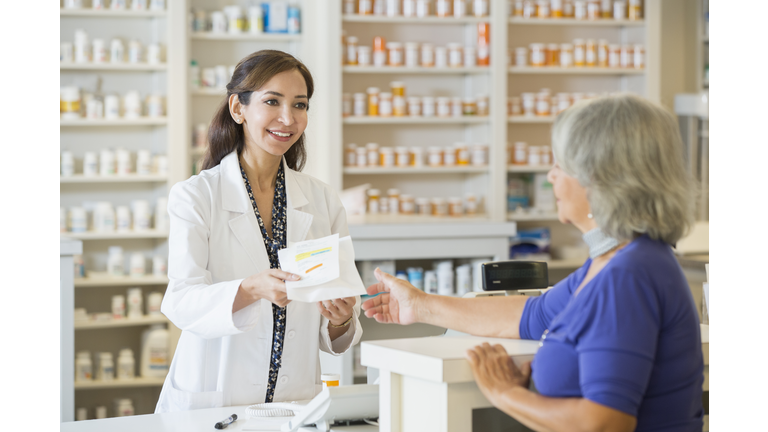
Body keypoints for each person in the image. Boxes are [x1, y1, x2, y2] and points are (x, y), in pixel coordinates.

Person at [362, 94, 704, 431]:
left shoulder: (628, 275)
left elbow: (603, 424)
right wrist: (419, 305)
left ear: (600, 176)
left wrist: (505, 393)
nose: (550, 176)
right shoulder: (613, 261)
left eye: (560, 165)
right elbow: (532, 315)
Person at [156, 50, 362, 413]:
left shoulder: (322, 200)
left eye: (300, 105)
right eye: (272, 101)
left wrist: (341, 318)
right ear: (238, 108)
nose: (288, 118)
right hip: (215, 401)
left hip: (294, 402)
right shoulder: (196, 195)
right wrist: (250, 289)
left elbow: (339, 337)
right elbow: (181, 302)